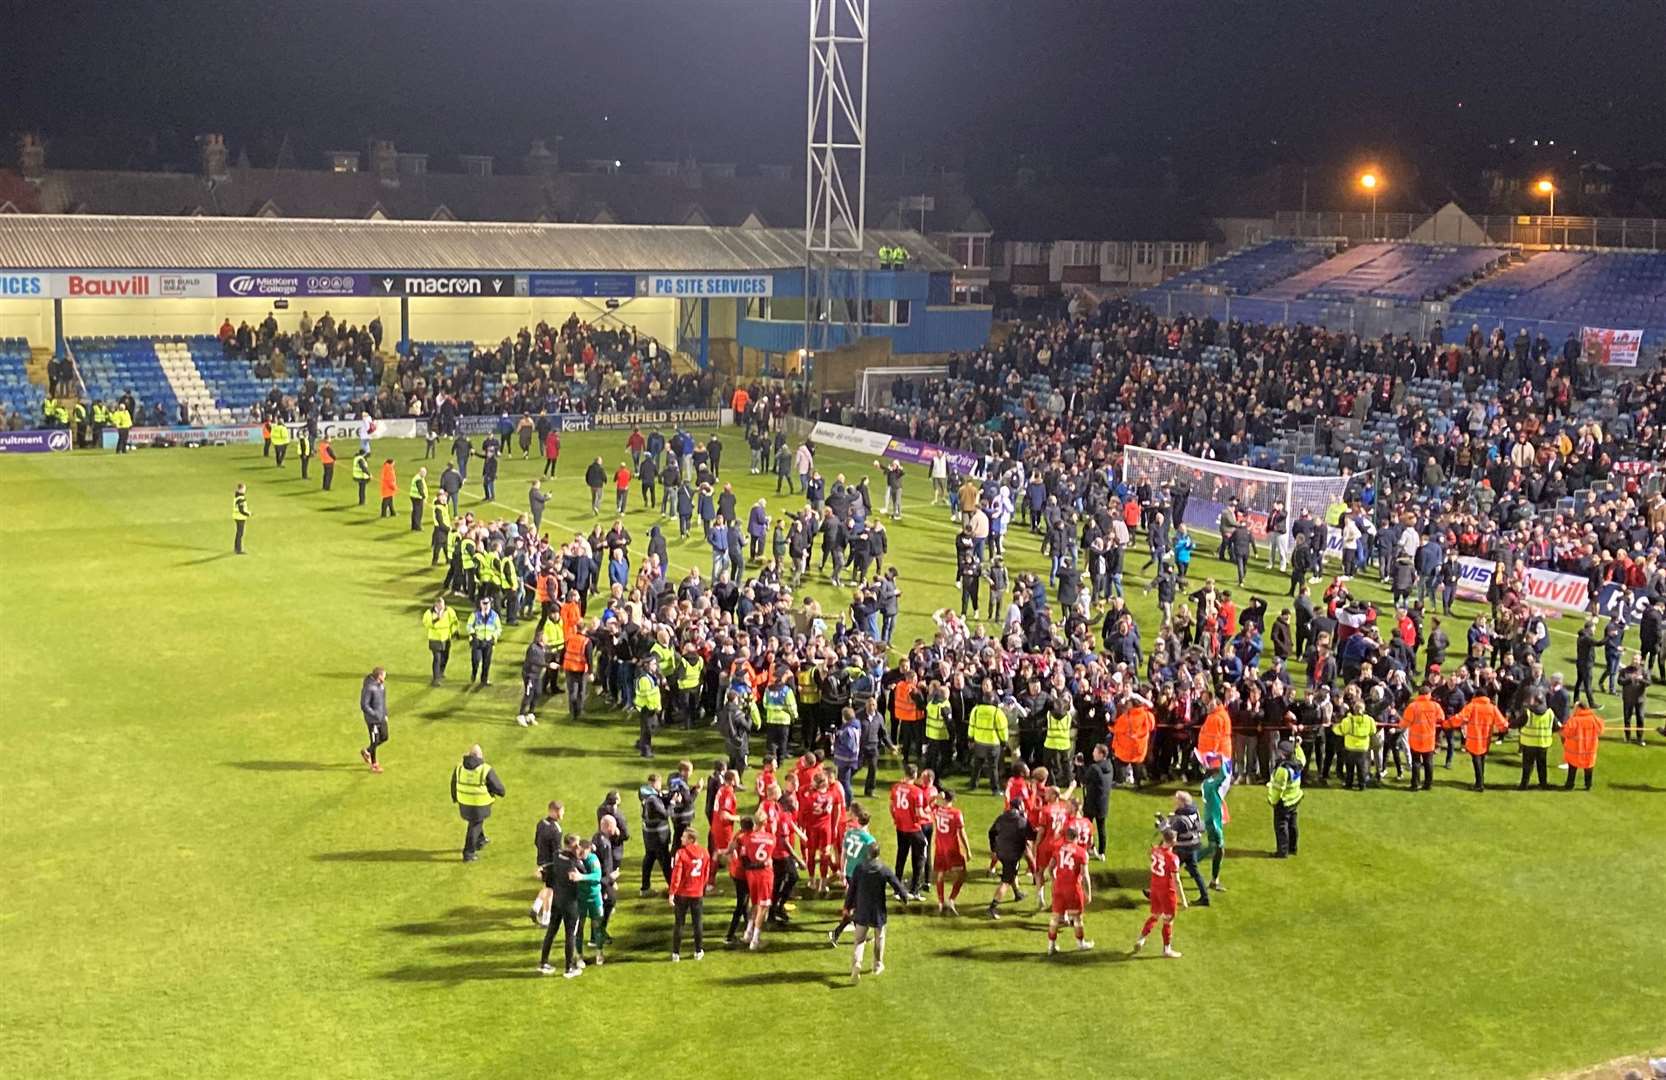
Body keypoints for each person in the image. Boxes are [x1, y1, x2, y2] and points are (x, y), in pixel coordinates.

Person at [846, 839, 911, 982]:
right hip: (878, 910)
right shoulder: (883, 869)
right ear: (878, 854)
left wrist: (847, 906)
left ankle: (857, 963)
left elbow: (852, 890)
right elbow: (896, 884)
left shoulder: (859, 868)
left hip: (862, 908)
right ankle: (877, 965)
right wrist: (904, 897)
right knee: (879, 937)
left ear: (867, 854)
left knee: (859, 940)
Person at [1133, 827, 1186, 959]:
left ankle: (1141, 939)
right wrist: (1183, 900)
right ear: (1173, 841)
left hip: (1154, 888)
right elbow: (1177, 881)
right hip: (1167, 892)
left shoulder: (1155, 850)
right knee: (1168, 920)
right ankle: (1166, 949)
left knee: (1155, 915)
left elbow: (1151, 852)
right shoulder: (1173, 858)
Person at [537, 834, 584, 977]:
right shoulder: (574, 862)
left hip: (557, 899)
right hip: (571, 903)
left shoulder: (557, 855)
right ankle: (569, 968)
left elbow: (551, 869)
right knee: (571, 934)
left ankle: (543, 963)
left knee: (551, 930)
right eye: (577, 845)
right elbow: (584, 875)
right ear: (572, 846)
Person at [451, 743, 505, 862]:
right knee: (475, 825)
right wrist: (501, 793)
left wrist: (455, 798)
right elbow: (497, 786)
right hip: (479, 804)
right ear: (480, 756)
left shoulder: (459, 768)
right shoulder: (485, 769)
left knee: (475, 822)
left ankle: (480, 840)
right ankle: (468, 853)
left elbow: (453, 784)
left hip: (464, 803)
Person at [1045, 825, 1094, 955]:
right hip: (1073, 889)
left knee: (1055, 918)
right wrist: (1088, 893)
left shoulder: (1058, 848)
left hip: (1059, 888)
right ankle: (1080, 943)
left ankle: (1051, 946)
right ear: (1076, 837)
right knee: (1077, 918)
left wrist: (1055, 879)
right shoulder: (1081, 853)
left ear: (1066, 837)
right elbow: (1085, 875)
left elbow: (1050, 869)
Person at [985, 798, 1033, 920]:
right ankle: (992, 907)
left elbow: (991, 832)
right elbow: (1032, 835)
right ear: (1019, 807)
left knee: (1012, 872)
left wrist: (994, 849)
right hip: (1012, 854)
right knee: (1006, 880)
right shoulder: (1022, 821)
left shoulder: (1001, 818)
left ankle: (1017, 894)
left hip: (1001, 851)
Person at [668, 827, 710, 961]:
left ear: (691, 840)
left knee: (679, 923)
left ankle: (676, 953)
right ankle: (698, 951)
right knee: (697, 923)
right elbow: (706, 874)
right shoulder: (705, 853)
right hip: (697, 893)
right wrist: (701, 887)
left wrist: (672, 893)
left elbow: (676, 875)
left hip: (682, 894)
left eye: (684, 837)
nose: (681, 839)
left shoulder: (681, 853)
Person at [1453, 690, 1508, 792]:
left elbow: (1460, 717)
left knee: (1476, 759)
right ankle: (1480, 781)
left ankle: (1479, 784)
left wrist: (1448, 723)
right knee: (1481, 759)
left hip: (1474, 738)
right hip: (1486, 738)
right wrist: (1506, 727)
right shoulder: (1492, 707)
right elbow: (1502, 723)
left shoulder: (1472, 706)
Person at [930, 787, 970, 914]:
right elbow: (962, 833)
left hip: (940, 847)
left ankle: (941, 902)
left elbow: (928, 803)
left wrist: (936, 797)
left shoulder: (937, 810)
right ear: (953, 799)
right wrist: (968, 850)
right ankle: (951, 900)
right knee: (962, 874)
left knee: (940, 874)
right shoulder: (956, 813)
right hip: (953, 848)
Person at [1266, 739, 1304, 858]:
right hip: (1295, 798)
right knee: (1293, 825)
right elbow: (1302, 757)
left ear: (1283, 753)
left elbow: (1278, 789)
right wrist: (1297, 746)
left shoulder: (1282, 770)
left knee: (1281, 826)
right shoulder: (1298, 763)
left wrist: (1272, 801)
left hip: (1284, 801)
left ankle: (1282, 851)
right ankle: (1293, 848)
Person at [530, 800, 565, 928]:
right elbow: (557, 851)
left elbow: (536, 841)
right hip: (551, 864)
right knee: (551, 890)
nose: (562, 814)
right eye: (561, 812)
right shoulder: (556, 829)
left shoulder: (541, 823)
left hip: (541, 860)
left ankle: (535, 907)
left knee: (547, 886)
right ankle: (545, 920)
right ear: (554, 811)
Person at [1200, 753, 1230, 889]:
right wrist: (1222, 759)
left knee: (1214, 847)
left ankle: (1191, 861)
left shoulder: (1206, 784)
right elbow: (1224, 776)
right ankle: (1192, 861)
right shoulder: (1212, 785)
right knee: (1219, 849)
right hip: (1214, 822)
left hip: (1211, 819)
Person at [1560, 704, 1604, 791]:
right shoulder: (1594, 719)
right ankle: (1588, 785)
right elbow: (1601, 730)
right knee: (1588, 768)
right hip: (1589, 750)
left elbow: (1565, 733)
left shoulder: (1574, 720)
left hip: (1575, 750)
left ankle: (1569, 785)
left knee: (1572, 769)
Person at [1518, 692, 1555, 790]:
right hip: (1543, 744)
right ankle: (1543, 784)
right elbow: (1556, 726)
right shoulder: (1550, 713)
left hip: (1529, 743)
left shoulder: (1528, 712)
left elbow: (1516, 723)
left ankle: (1524, 785)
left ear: (1535, 701)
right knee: (1542, 765)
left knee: (1527, 766)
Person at [467, 597, 502, 687]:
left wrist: (493, 637)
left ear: (490, 604)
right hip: (477, 641)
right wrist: (473, 635)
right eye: (484, 603)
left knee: (487, 662)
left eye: (487, 603)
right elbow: (469, 626)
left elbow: (498, 628)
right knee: (476, 660)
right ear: (480, 604)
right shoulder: (475, 615)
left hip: (488, 642)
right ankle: (474, 673)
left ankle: (484, 680)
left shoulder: (494, 616)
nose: (486, 605)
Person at [423, 598, 458, 685]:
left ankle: (440, 672)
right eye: (440, 607)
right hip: (435, 639)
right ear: (436, 605)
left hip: (446, 638)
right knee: (437, 658)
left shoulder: (449, 611)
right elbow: (426, 624)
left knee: (445, 657)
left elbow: (454, 621)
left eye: (443, 606)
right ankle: (435, 679)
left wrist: (454, 631)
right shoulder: (429, 613)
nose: (442, 608)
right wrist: (437, 619)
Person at [359, 667, 388, 773]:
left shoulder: (382, 687)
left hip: (381, 717)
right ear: (379, 676)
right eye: (384, 675)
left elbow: (383, 701)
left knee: (384, 737)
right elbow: (364, 705)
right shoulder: (369, 688)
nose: (385, 677)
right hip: (372, 720)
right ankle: (374, 764)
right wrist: (374, 714)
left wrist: (385, 713)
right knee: (374, 740)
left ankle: (367, 751)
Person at [635, 657, 664, 759]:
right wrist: (655, 707)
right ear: (647, 665)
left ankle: (641, 743)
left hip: (651, 707)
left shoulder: (651, 676)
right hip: (646, 707)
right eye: (653, 664)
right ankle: (646, 751)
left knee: (651, 728)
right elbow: (648, 695)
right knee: (647, 731)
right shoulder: (644, 679)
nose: (656, 666)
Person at [232, 483, 251, 555]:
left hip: (237, 517)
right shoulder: (241, 499)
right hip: (240, 518)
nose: (245, 490)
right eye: (244, 489)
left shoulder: (237, 496)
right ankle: (238, 550)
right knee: (240, 533)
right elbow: (241, 510)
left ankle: (236, 548)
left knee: (238, 533)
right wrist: (248, 514)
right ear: (241, 489)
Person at [409, 466, 428, 531]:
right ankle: (417, 526)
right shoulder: (419, 479)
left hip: (414, 496)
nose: (425, 475)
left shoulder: (417, 477)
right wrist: (424, 497)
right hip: (417, 498)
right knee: (418, 512)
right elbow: (420, 489)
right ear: (421, 472)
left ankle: (413, 526)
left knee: (415, 511)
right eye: (424, 473)